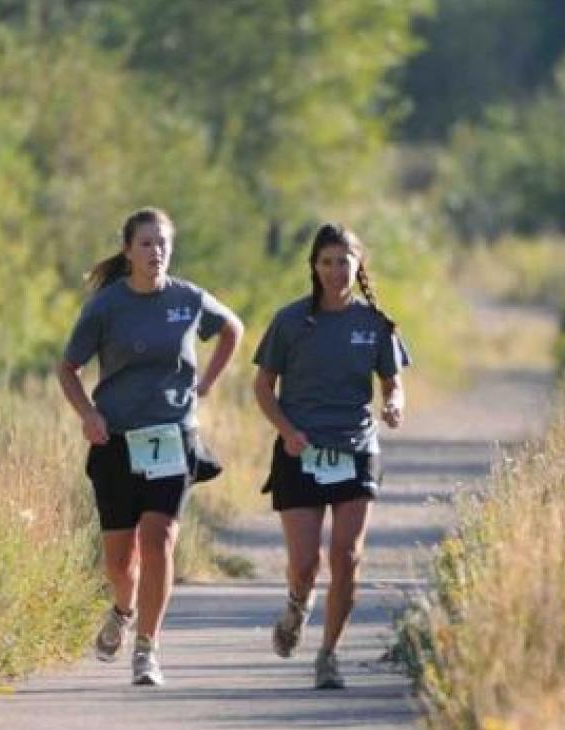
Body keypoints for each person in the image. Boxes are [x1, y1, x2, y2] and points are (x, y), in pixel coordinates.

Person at [57, 207, 243, 686]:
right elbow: (68, 369)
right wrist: (89, 415)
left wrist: (205, 383)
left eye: (162, 243)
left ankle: (148, 648)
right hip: (116, 439)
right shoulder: (105, 306)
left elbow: (232, 329)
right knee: (120, 562)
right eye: (146, 243)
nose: (156, 252)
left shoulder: (187, 298)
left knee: (159, 539)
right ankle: (123, 609)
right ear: (128, 251)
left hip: (171, 436)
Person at [251, 222, 409, 690]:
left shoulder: (375, 324)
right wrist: (286, 431)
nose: (336, 271)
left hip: (356, 448)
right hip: (301, 449)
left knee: (348, 556)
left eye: (345, 261)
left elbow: (392, 380)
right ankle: (297, 607)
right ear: (314, 268)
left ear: (359, 265)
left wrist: (395, 403)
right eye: (327, 262)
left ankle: (328, 654)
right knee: (305, 564)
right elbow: (263, 386)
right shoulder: (290, 321)